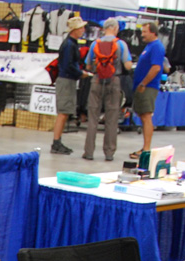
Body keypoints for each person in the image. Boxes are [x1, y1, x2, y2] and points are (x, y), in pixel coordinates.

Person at [81, 18, 131, 163]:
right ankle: (109, 152)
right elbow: (127, 66)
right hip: (114, 81)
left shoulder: (94, 44)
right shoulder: (121, 44)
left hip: (96, 81)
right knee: (112, 117)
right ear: (115, 28)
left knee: (92, 118)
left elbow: (88, 66)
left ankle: (89, 151)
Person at [50, 14, 85, 155]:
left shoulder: (71, 43)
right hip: (66, 80)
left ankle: (57, 141)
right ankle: (56, 142)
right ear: (74, 30)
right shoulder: (69, 45)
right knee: (63, 112)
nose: (83, 30)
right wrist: (80, 73)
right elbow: (67, 65)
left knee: (64, 112)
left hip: (67, 80)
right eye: (81, 28)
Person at [130, 21, 164, 160]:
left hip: (148, 87)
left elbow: (156, 68)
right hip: (142, 86)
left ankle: (146, 149)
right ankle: (145, 148)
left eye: (145, 32)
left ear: (153, 32)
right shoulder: (149, 46)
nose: (142, 35)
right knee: (143, 115)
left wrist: (144, 83)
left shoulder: (156, 47)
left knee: (146, 116)